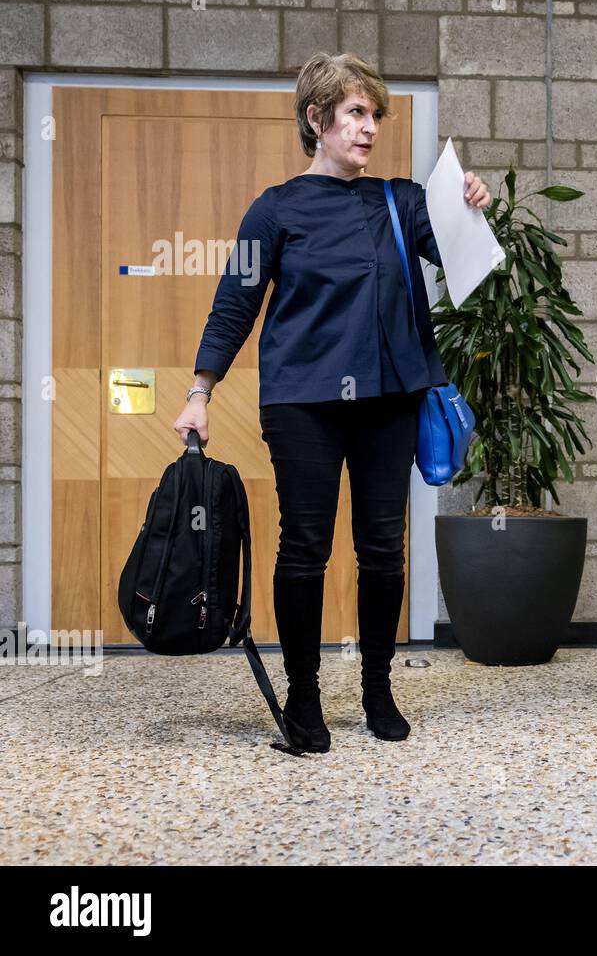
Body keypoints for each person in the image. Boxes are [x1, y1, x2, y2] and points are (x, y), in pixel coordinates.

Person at [173, 52, 490, 752]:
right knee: (306, 545)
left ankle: (378, 687)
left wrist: (469, 204)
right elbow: (235, 304)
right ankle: (304, 695)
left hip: (389, 400)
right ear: (316, 120)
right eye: (355, 113)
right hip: (303, 403)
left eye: (375, 114)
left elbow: (467, 263)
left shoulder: (403, 201)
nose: (370, 126)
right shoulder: (275, 209)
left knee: (382, 548)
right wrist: (201, 391)